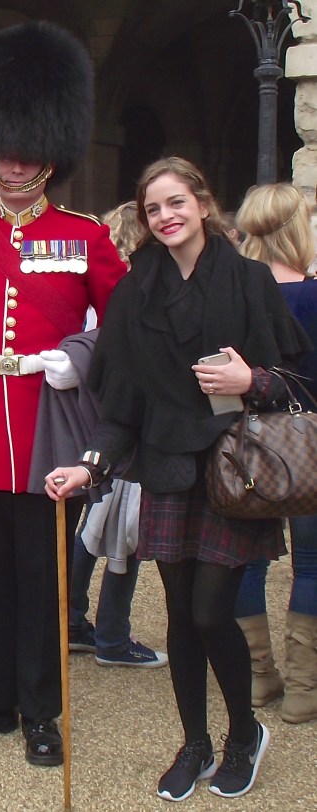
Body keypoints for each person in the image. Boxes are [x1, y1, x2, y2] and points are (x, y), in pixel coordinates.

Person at [46, 156, 311, 801]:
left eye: (175, 203)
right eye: (153, 208)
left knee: (210, 609)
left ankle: (244, 731)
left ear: (202, 202)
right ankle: (195, 740)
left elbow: (301, 383)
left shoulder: (249, 280)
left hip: (233, 468)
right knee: (180, 618)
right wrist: (89, 465)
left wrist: (253, 381)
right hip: (166, 466)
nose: (165, 217)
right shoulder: (136, 291)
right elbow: (123, 405)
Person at [0, 21, 126, 767]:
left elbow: (123, 326)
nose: (13, 163)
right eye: (3, 150)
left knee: (43, 580)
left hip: (50, 434)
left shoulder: (84, 236)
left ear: (51, 150)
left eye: (27, 150)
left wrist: (77, 355)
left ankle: (42, 709)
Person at [68, 200, 167, 668]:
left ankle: (72, 621)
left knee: (96, 528)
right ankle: (110, 636)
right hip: (120, 426)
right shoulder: (131, 292)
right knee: (123, 535)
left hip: (95, 426)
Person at [234, 182, 317, 724]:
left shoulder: (235, 290)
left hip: (248, 443)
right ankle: (306, 688)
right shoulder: (313, 294)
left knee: (248, 562)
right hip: (309, 438)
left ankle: (258, 676)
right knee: (310, 564)